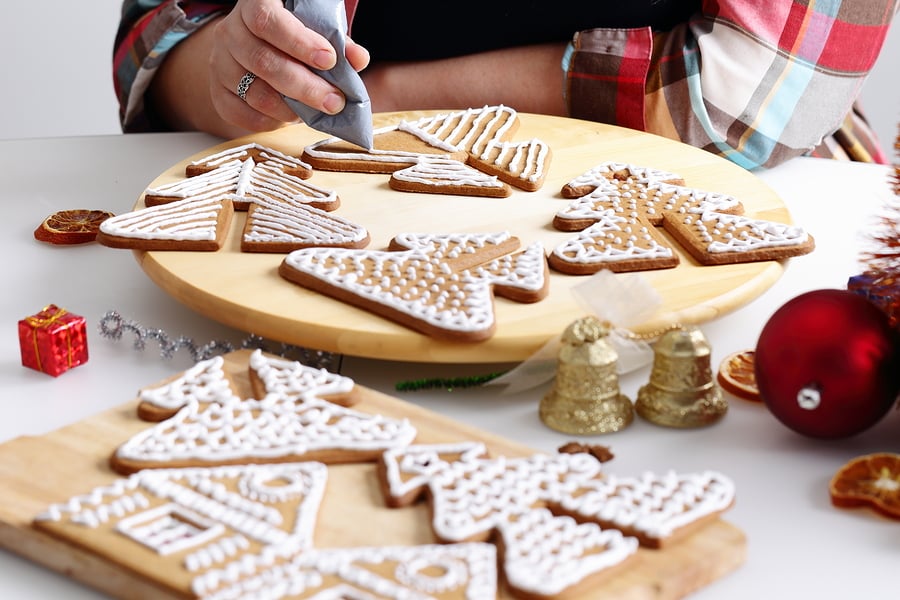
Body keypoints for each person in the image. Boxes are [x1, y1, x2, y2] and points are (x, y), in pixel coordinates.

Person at [114, 0, 898, 169]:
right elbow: (154, 38)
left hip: (729, 215)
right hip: (322, 202)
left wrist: (377, 96)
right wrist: (226, 70)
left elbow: (743, 105)